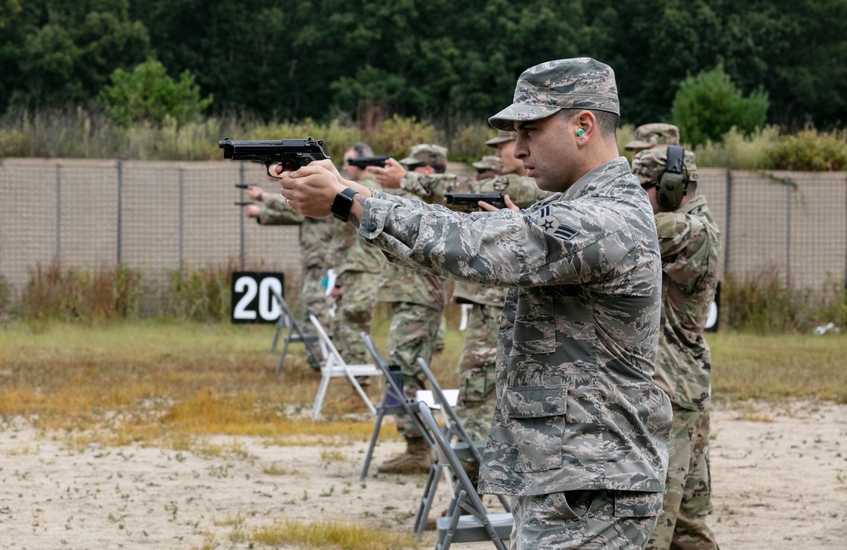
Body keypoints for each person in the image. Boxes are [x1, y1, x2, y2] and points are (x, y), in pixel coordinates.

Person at [280, 56, 672, 549]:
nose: (519, 147)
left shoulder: (605, 218)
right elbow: (455, 245)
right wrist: (349, 191)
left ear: (583, 125)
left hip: (591, 484)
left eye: (530, 129)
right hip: (572, 475)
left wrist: (346, 200)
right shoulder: (578, 207)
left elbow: (471, 244)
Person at [631, 147, 721, 550]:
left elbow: (621, 232)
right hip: (684, 390)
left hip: (672, 395)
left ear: (670, 189)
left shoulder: (689, 229)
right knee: (688, 529)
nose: (636, 200)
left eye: (642, 190)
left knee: (652, 528)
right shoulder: (691, 225)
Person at [450, 128, 549, 446]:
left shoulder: (517, 186)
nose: (497, 153)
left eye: (501, 146)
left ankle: (472, 462)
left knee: (477, 382)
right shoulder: (541, 191)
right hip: (501, 298)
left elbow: (450, 188)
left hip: (497, 301)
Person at [373, 143, 449, 474]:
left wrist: (405, 182)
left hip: (420, 301)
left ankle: (419, 447)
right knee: (398, 371)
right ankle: (414, 443)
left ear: (427, 171)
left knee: (405, 374)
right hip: (410, 299)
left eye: (410, 169)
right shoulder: (416, 200)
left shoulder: (437, 199)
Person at [323, 143, 387, 409]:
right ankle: (357, 388)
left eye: (349, 161)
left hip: (364, 269)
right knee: (348, 326)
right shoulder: (355, 186)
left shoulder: (368, 188)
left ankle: (360, 390)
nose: (345, 166)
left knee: (354, 325)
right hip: (353, 269)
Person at [242, 184, 336, 353]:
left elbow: (293, 209)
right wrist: (261, 213)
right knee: (312, 306)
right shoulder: (317, 204)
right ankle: (317, 354)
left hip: (322, 262)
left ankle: (323, 354)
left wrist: (262, 197)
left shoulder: (321, 199)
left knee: (318, 306)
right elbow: (297, 217)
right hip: (315, 261)